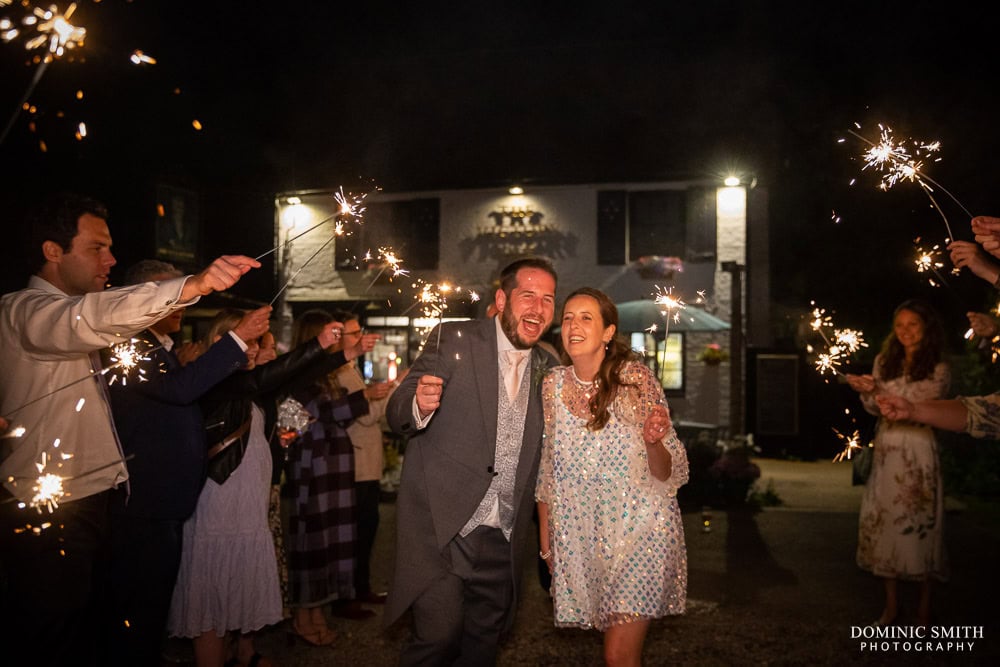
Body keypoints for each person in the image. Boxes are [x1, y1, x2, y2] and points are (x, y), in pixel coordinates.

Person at [0, 193, 260, 666]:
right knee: (51, 638)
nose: (112, 259)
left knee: (100, 632)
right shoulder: (27, 309)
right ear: (52, 251)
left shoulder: (84, 322)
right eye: (97, 247)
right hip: (53, 510)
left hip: (97, 501)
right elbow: (82, 320)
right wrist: (192, 285)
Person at [167, 308, 378, 667]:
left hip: (246, 502)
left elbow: (290, 378)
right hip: (222, 502)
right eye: (247, 344)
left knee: (233, 595)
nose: (253, 351)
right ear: (220, 343)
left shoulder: (243, 381)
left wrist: (344, 354)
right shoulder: (217, 379)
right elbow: (268, 378)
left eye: (254, 345)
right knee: (213, 605)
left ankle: (239, 654)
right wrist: (317, 344)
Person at [385, 257, 558, 665]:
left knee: (483, 645)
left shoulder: (549, 368)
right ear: (501, 299)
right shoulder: (454, 339)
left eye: (548, 299)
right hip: (444, 530)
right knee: (438, 638)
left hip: (505, 535)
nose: (537, 308)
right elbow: (397, 410)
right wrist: (417, 403)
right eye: (527, 295)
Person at [102, 260, 270, 667]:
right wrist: (236, 339)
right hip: (145, 496)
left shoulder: (158, 345)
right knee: (137, 608)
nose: (184, 298)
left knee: (153, 606)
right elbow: (177, 392)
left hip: (167, 498)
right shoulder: (129, 342)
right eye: (172, 290)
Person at [536, 287, 687, 666]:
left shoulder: (634, 379)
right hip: (584, 534)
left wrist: (654, 442)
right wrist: (546, 539)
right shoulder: (552, 385)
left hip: (640, 532)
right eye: (568, 317)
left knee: (618, 655)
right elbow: (548, 467)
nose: (573, 324)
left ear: (607, 332)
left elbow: (667, 473)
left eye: (586, 317)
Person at [845, 299, 950, 627]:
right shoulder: (883, 361)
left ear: (926, 328)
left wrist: (880, 391)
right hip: (888, 449)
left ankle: (923, 610)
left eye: (913, 325)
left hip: (917, 450)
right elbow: (877, 409)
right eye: (900, 325)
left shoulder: (939, 368)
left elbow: (922, 406)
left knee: (921, 524)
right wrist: (867, 392)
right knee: (886, 522)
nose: (905, 331)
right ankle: (891, 607)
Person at [283, 309, 372, 641]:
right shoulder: (298, 373)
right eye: (329, 336)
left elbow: (333, 416)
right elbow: (317, 413)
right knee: (310, 541)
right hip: (312, 465)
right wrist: (365, 397)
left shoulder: (328, 373)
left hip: (332, 463)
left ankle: (318, 609)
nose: (335, 343)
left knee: (329, 543)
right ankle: (302, 616)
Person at [331, 310, 397, 613]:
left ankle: (361, 587)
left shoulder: (350, 368)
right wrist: (388, 392)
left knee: (368, 529)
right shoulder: (340, 372)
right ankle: (349, 595)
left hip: (366, 463)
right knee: (357, 531)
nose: (360, 338)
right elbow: (367, 415)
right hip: (355, 464)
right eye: (354, 333)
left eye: (359, 332)